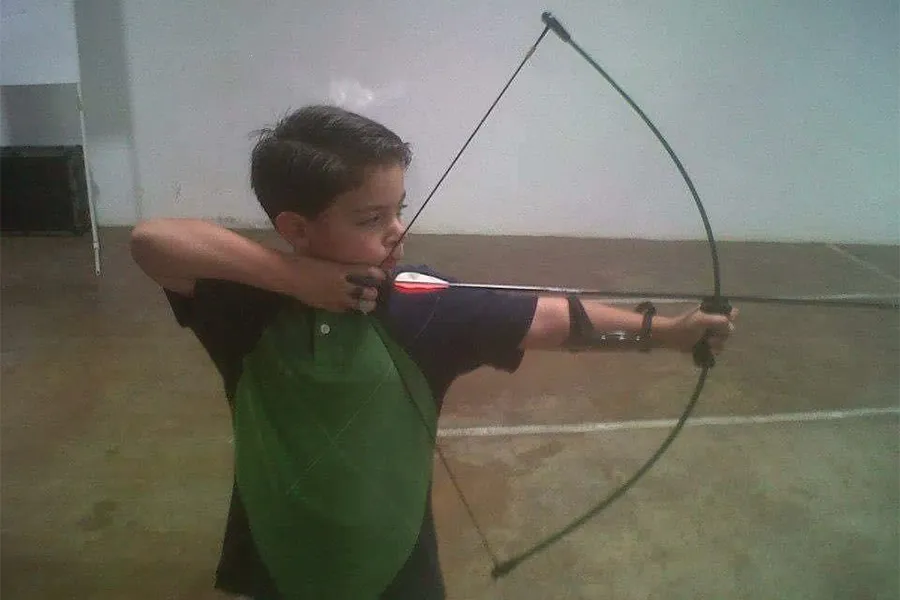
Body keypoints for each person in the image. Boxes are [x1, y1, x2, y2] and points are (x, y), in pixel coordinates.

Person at [130, 105, 737, 600]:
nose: (396, 229)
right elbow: (153, 241)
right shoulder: (248, 307)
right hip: (274, 547)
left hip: (395, 560)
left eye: (398, 209)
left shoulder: (420, 303)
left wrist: (666, 330)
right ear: (295, 228)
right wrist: (298, 280)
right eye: (371, 216)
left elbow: (555, 318)